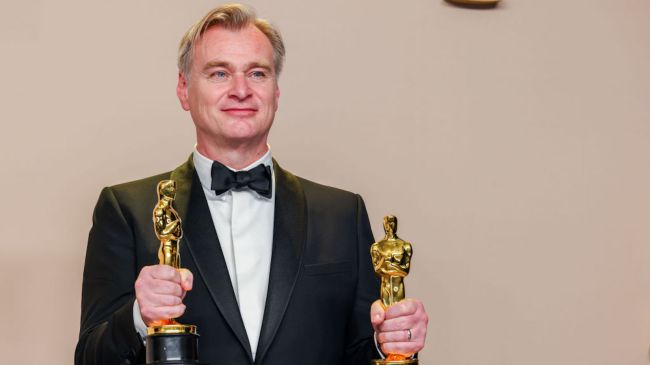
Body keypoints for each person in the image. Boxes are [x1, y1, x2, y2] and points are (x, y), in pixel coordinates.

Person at [75, 4, 428, 365]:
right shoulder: (126, 209)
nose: (241, 90)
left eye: (257, 73)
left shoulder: (343, 214)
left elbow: (359, 352)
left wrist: (393, 342)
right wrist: (138, 316)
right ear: (184, 90)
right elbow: (90, 357)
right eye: (219, 74)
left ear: (276, 91)